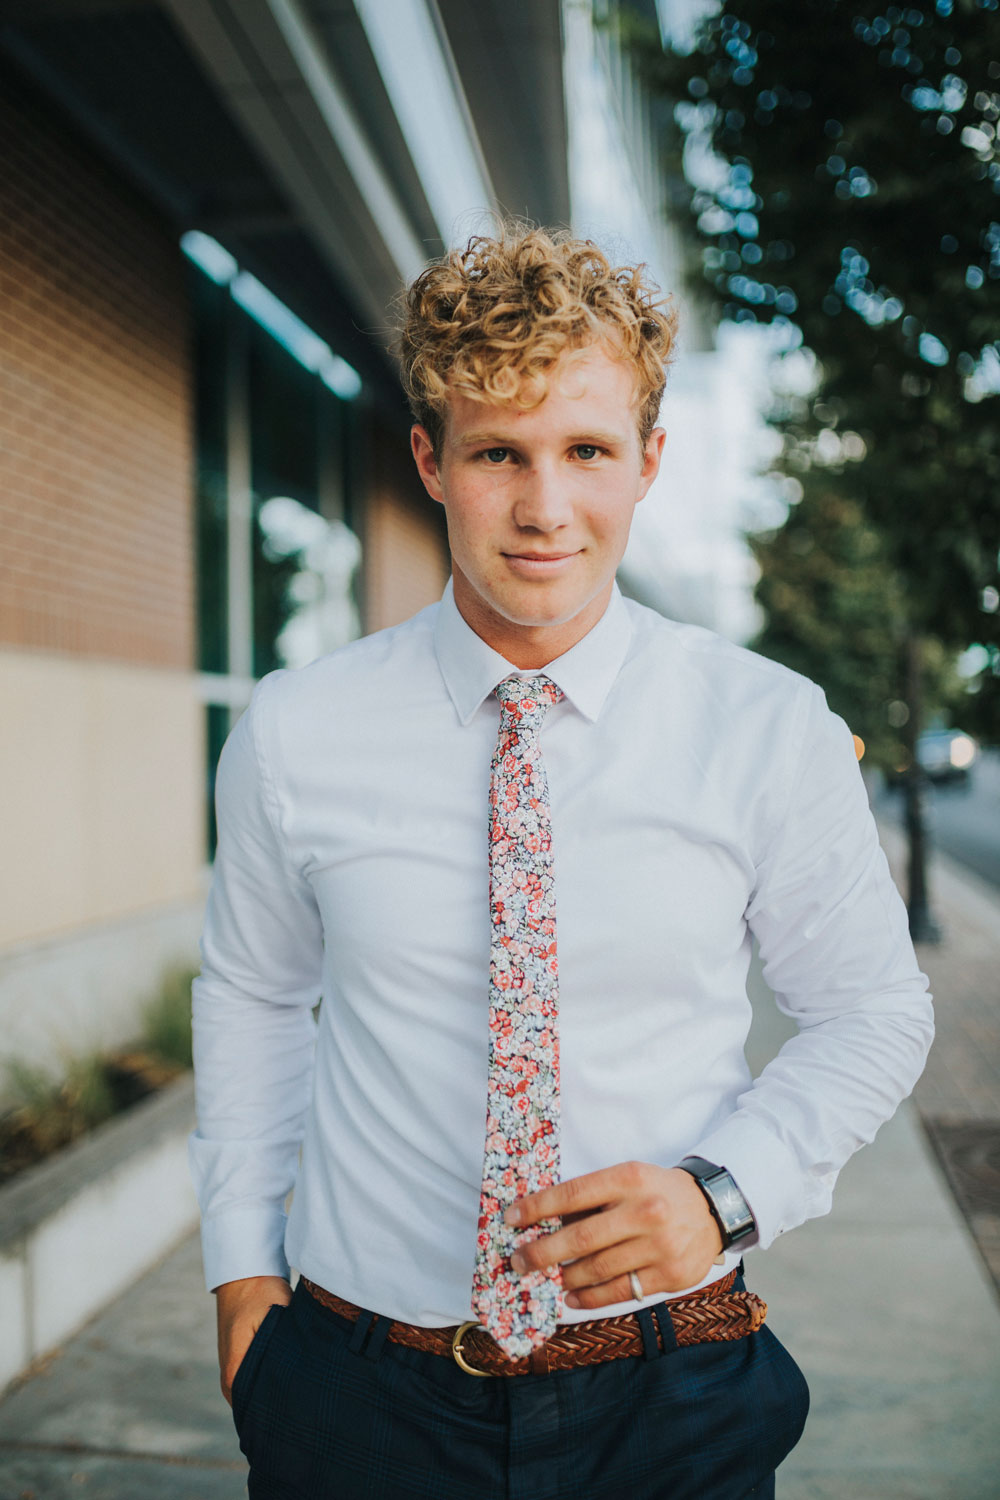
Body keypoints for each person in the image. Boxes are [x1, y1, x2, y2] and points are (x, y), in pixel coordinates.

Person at [190, 223, 933, 1499]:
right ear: (431, 459)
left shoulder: (765, 728)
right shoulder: (295, 732)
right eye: (499, 454)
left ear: (647, 461)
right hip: (360, 1395)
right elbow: (254, 997)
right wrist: (243, 1279)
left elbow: (870, 1011)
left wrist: (726, 1197)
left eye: (586, 450)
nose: (544, 507)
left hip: (671, 1392)